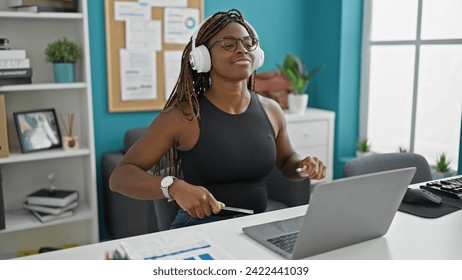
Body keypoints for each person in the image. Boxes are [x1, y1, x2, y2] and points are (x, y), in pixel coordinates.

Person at [109, 9, 326, 229]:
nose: (242, 50)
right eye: (228, 45)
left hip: (259, 225)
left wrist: (302, 166)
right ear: (202, 57)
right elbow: (120, 177)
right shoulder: (183, 117)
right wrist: (173, 186)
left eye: (248, 43)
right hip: (203, 228)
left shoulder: (272, 110)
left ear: (257, 54)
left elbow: (287, 161)